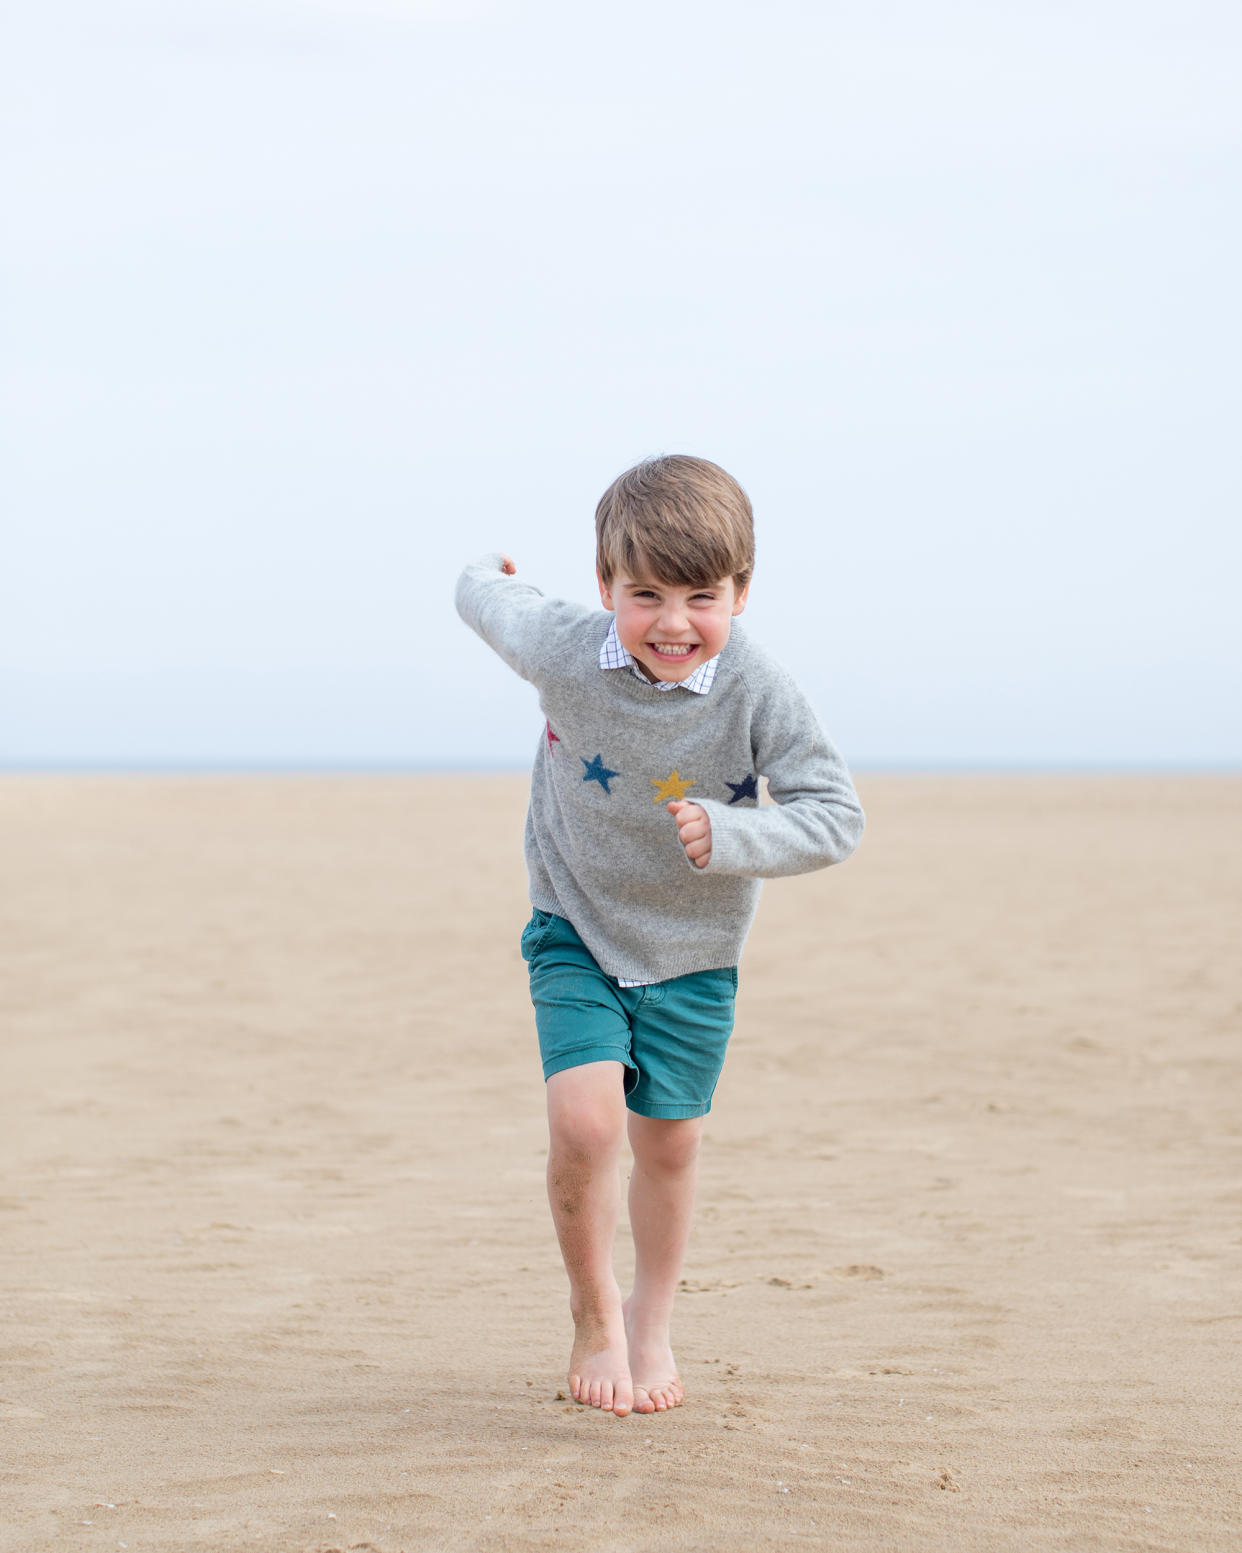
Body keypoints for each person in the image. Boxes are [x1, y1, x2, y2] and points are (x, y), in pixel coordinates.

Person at [455, 454, 864, 1418]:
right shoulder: (564, 644)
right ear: (605, 586)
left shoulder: (758, 686)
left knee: (669, 1146)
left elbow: (835, 814)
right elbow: (485, 598)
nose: (672, 623)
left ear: (741, 593)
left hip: (694, 950)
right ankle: (595, 1314)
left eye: (700, 597)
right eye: (644, 595)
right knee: (587, 1124)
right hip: (576, 923)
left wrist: (736, 835)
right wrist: (489, 569)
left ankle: (652, 1316)